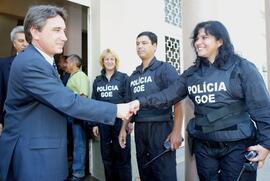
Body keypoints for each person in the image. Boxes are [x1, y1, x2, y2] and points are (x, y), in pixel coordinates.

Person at [0, 5, 132, 181]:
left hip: (44, 153)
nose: (64, 37)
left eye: (64, 30)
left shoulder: (43, 61)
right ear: (35, 32)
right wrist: (117, 110)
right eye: (57, 30)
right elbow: (69, 101)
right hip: (33, 159)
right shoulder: (30, 62)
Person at [130, 21, 270, 180]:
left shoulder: (242, 68)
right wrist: (139, 102)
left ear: (220, 41)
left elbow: (263, 108)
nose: (198, 42)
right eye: (196, 38)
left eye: (204, 37)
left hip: (237, 145)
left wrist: (266, 144)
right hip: (204, 146)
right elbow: (168, 95)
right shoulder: (191, 74)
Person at [119, 31, 183, 181]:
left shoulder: (165, 69)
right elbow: (129, 105)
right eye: (137, 44)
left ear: (154, 46)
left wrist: (176, 132)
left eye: (144, 43)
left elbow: (178, 101)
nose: (140, 46)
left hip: (161, 128)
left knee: (164, 174)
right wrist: (123, 128)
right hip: (141, 129)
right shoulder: (133, 76)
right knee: (145, 171)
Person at [91, 48, 132, 181]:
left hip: (120, 123)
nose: (109, 61)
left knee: (123, 157)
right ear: (102, 62)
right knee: (107, 158)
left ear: (116, 61)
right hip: (103, 124)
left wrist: (128, 123)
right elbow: (94, 104)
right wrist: (95, 124)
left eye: (112, 59)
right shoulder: (97, 81)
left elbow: (128, 102)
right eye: (106, 59)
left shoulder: (123, 78)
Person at [0, 25, 28, 135]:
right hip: (10, 119)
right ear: (14, 43)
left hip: (33, 120)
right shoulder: (3, 64)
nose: (25, 44)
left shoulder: (41, 64)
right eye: (21, 41)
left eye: (27, 41)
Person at [65, 54, 89, 180]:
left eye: (67, 62)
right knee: (75, 144)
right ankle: (75, 169)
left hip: (78, 116)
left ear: (73, 64)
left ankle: (78, 173)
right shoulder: (72, 76)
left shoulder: (80, 76)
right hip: (72, 116)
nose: (65, 65)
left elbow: (83, 97)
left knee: (79, 144)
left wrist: (78, 115)